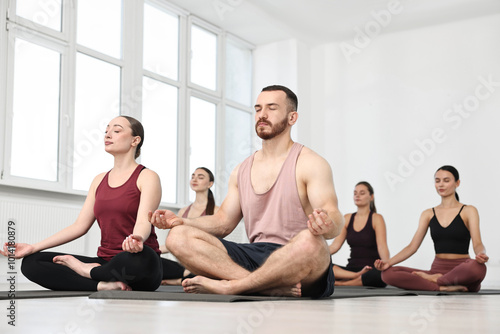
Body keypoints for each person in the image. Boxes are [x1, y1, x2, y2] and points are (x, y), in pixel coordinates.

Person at [149, 85, 344, 298]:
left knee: (310, 241)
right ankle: (262, 287)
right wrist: (180, 222)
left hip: (297, 258)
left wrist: (327, 224)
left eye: (272, 108)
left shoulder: (311, 163)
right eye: (258, 108)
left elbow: (331, 215)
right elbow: (223, 222)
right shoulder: (241, 169)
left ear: (292, 117)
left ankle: (233, 286)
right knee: (177, 237)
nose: (262, 115)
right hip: (255, 257)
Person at [0, 116, 165, 291]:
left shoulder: (147, 177)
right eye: (106, 131)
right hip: (105, 263)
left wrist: (137, 238)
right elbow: (79, 226)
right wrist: (33, 247)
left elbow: (143, 221)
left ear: (135, 140)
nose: (108, 135)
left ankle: (88, 272)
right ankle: (102, 284)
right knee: (32, 262)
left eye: (116, 131)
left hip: (136, 261)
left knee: (142, 258)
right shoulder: (99, 180)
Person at [374, 165, 488, 292]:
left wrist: (481, 254)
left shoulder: (468, 210)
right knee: (387, 274)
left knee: (477, 267)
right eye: (437, 181)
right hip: (436, 270)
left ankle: (437, 281)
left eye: (446, 180)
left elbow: (477, 243)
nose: (441, 185)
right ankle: (442, 286)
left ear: (457, 183)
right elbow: (412, 247)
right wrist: (388, 263)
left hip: (461, 272)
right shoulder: (428, 214)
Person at [160, 167, 219, 285]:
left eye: (200, 177)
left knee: (212, 273)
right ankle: (182, 278)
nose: (195, 179)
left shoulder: (216, 211)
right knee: (147, 261)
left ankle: (178, 280)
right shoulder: (183, 212)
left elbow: (214, 244)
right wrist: (151, 250)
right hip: (183, 266)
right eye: (193, 176)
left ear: (210, 184)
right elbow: (172, 243)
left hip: (203, 264)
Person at [329, 181, 389, 287]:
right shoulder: (347, 218)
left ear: (371, 197)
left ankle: (341, 284)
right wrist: (317, 255)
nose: (357, 195)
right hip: (351, 269)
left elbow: (382, 246)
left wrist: (387, 264)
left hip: (370, 269)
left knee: (380, 275)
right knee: (324, 268)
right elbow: (335, 246)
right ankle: (355, 277)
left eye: (362, 193)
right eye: (355, 193)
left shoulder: (376, 218)